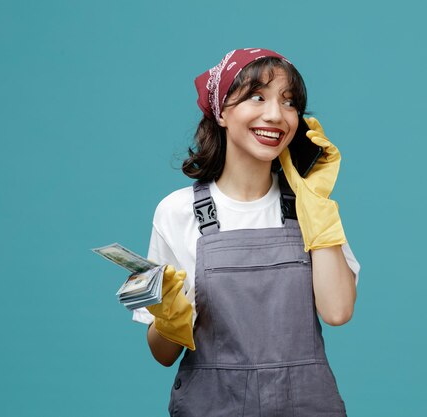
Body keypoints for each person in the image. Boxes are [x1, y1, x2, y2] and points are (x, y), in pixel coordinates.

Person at [132, 48, 361, 416]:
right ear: (221, 111)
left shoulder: (311, 205)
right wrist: (169, 320)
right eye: (257, 96)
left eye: (289, 102)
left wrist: (316, 204)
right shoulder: (176, 212)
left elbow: (337, 312)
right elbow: (162, 355)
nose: (276, 115)